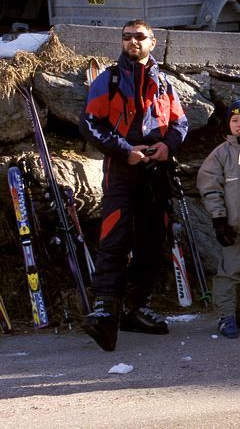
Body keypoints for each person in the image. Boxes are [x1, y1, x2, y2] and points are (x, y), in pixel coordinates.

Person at [78, 19, 188, 351]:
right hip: (122, 169)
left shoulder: (165, 83)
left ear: (153, 42)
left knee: (152, 241)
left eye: (139, 37)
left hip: (156, 172)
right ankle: (105, 311)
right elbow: (90, 123)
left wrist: (167, 146)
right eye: (127, 37)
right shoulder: (108, 79)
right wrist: (126, 151)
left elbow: (180, 122)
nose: (132, 42)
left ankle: (136, 308)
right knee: (114, 236)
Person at [197, 100, 240, 338]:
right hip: (230, 225)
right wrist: (219, 218)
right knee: (230, 270)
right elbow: (210, 187)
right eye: (235, 121)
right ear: (228, 124)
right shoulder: (220, 154)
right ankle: (226, 314)